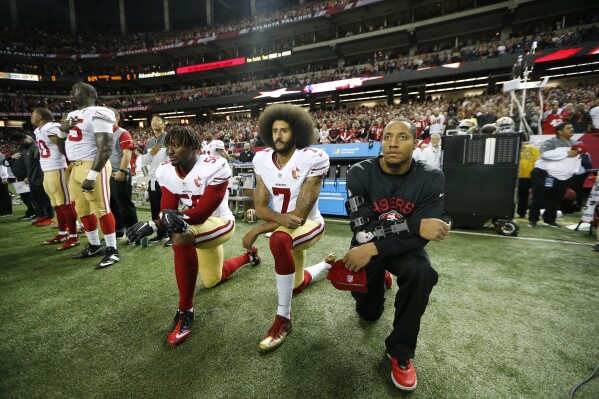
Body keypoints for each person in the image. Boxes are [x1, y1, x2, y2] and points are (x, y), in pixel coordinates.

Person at [341, 118, 449, 391]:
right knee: (369, 314)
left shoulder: (431, 177)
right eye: (387, 136)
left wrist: (375, 246)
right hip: (370, 247)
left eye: (402, 137)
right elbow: (363, 230)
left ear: (415, 143)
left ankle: (400, 353)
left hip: (396, 249)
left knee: (422, 272)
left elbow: (416, 239)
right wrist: (414, 224)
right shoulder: (359, 172)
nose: (392, 142)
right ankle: (380, 282)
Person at [126, 126, 260, 346]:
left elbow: (200, 214)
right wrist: (154, 223)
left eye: (176, 145)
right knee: (212, 280)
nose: (170, 151)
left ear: (194, 147)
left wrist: (161, 223)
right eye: (169, 145)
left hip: (220, 223)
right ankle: (249, 256)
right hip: (196, 225)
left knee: (180, 236)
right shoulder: (166, 170)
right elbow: (167, 210)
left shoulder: (215, 166)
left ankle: (185, 310)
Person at [241, 104, 331, 352]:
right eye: (275, 130)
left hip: (309, 224)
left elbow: (298, 216)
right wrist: (269, 220)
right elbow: (260, 207)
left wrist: (258, 229)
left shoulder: (312, 158)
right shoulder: (261, 159)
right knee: (296, 285)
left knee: (278, 240)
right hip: (285, 224)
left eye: (285, 130)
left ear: (297, 133)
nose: (278, 135)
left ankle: (284, 318)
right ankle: (326, 264)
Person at [58, 82, 120, 268]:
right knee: (82, 210)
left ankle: (112, 250)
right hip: (75, 166)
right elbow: (63, 148)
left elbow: (106, 147)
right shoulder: (71, 116)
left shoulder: (99, 112)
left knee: (102, 208)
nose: (71, 92)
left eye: (75, 90)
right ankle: (94, 245)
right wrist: (62, 129)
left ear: (88, 94)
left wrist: (93, 174)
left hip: (92, 164)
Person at [31, 108, 80, 249]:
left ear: (40, 116)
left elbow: (61, 144)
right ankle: (63, 232)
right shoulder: (38, 130)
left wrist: (61, 132)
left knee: (65, 204)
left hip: (57, 168)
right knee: (57, 204)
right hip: (47, 169)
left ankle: (73, 237)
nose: (31, 117)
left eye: (33, 115)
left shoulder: (50, 127)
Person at [528, 122, 581, 228]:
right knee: (539, 197)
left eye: (572, 127)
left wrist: (574, 170)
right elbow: (544, 154)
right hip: (546, 174)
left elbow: (578, 158)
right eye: (568, 128)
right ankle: (533, 219)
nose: (572, 129)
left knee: (556, 199)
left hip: (564, 176)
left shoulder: (576, 143)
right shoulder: (550, 142)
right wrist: (566, 153)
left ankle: (549, 219)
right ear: (559, 131)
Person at [10, 132, 55, 226]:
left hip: (39, 177)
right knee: (35, 199)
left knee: (44, 198)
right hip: (31, 178)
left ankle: (50, 217)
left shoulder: (35, 146)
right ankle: (43, 215)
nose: (19, 145)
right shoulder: (25, 149)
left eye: (20, 142)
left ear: (25, 138)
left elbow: (41, 161)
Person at [108, 110, 138, 239]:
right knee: (112, 204)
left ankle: (134, 232)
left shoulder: (123, 133)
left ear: (117, 118)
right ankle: (118, 230)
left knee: (124, 204)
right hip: (108, 173)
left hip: (119, 172)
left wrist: (122, 170)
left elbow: (127, 154)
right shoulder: (104, 134)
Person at [141, 114, 169, 244]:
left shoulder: (169, 138)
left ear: (164, 124)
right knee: (155, 208)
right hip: (153, 179)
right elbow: (144, 161)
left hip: (167, 179)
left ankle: (172, 234)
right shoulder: (149, 142)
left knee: (168, 207)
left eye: (158, 120)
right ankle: (161, 233)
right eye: (152, 121)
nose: (154, 122)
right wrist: (151, 152)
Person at [517, 138, 540, 218]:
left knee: (522, 195)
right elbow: (538, 161)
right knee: (534, 195)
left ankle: (522, 212)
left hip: (520, 175)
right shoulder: (534, 149)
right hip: (531, 175)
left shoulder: (515, 147)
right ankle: (531, 214)